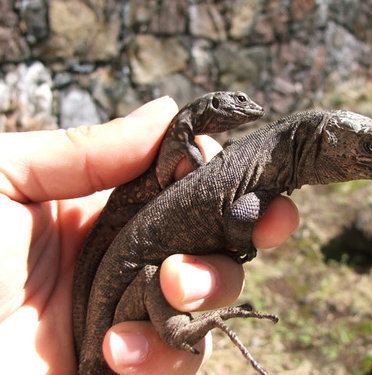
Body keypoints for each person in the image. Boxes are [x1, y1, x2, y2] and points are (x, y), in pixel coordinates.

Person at [0, 96, 299, 374]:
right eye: (240, 101)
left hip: (119, 232)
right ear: (216, 103)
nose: (248, 108)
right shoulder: (183, 140)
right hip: (114, 224)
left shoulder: (186, 139)